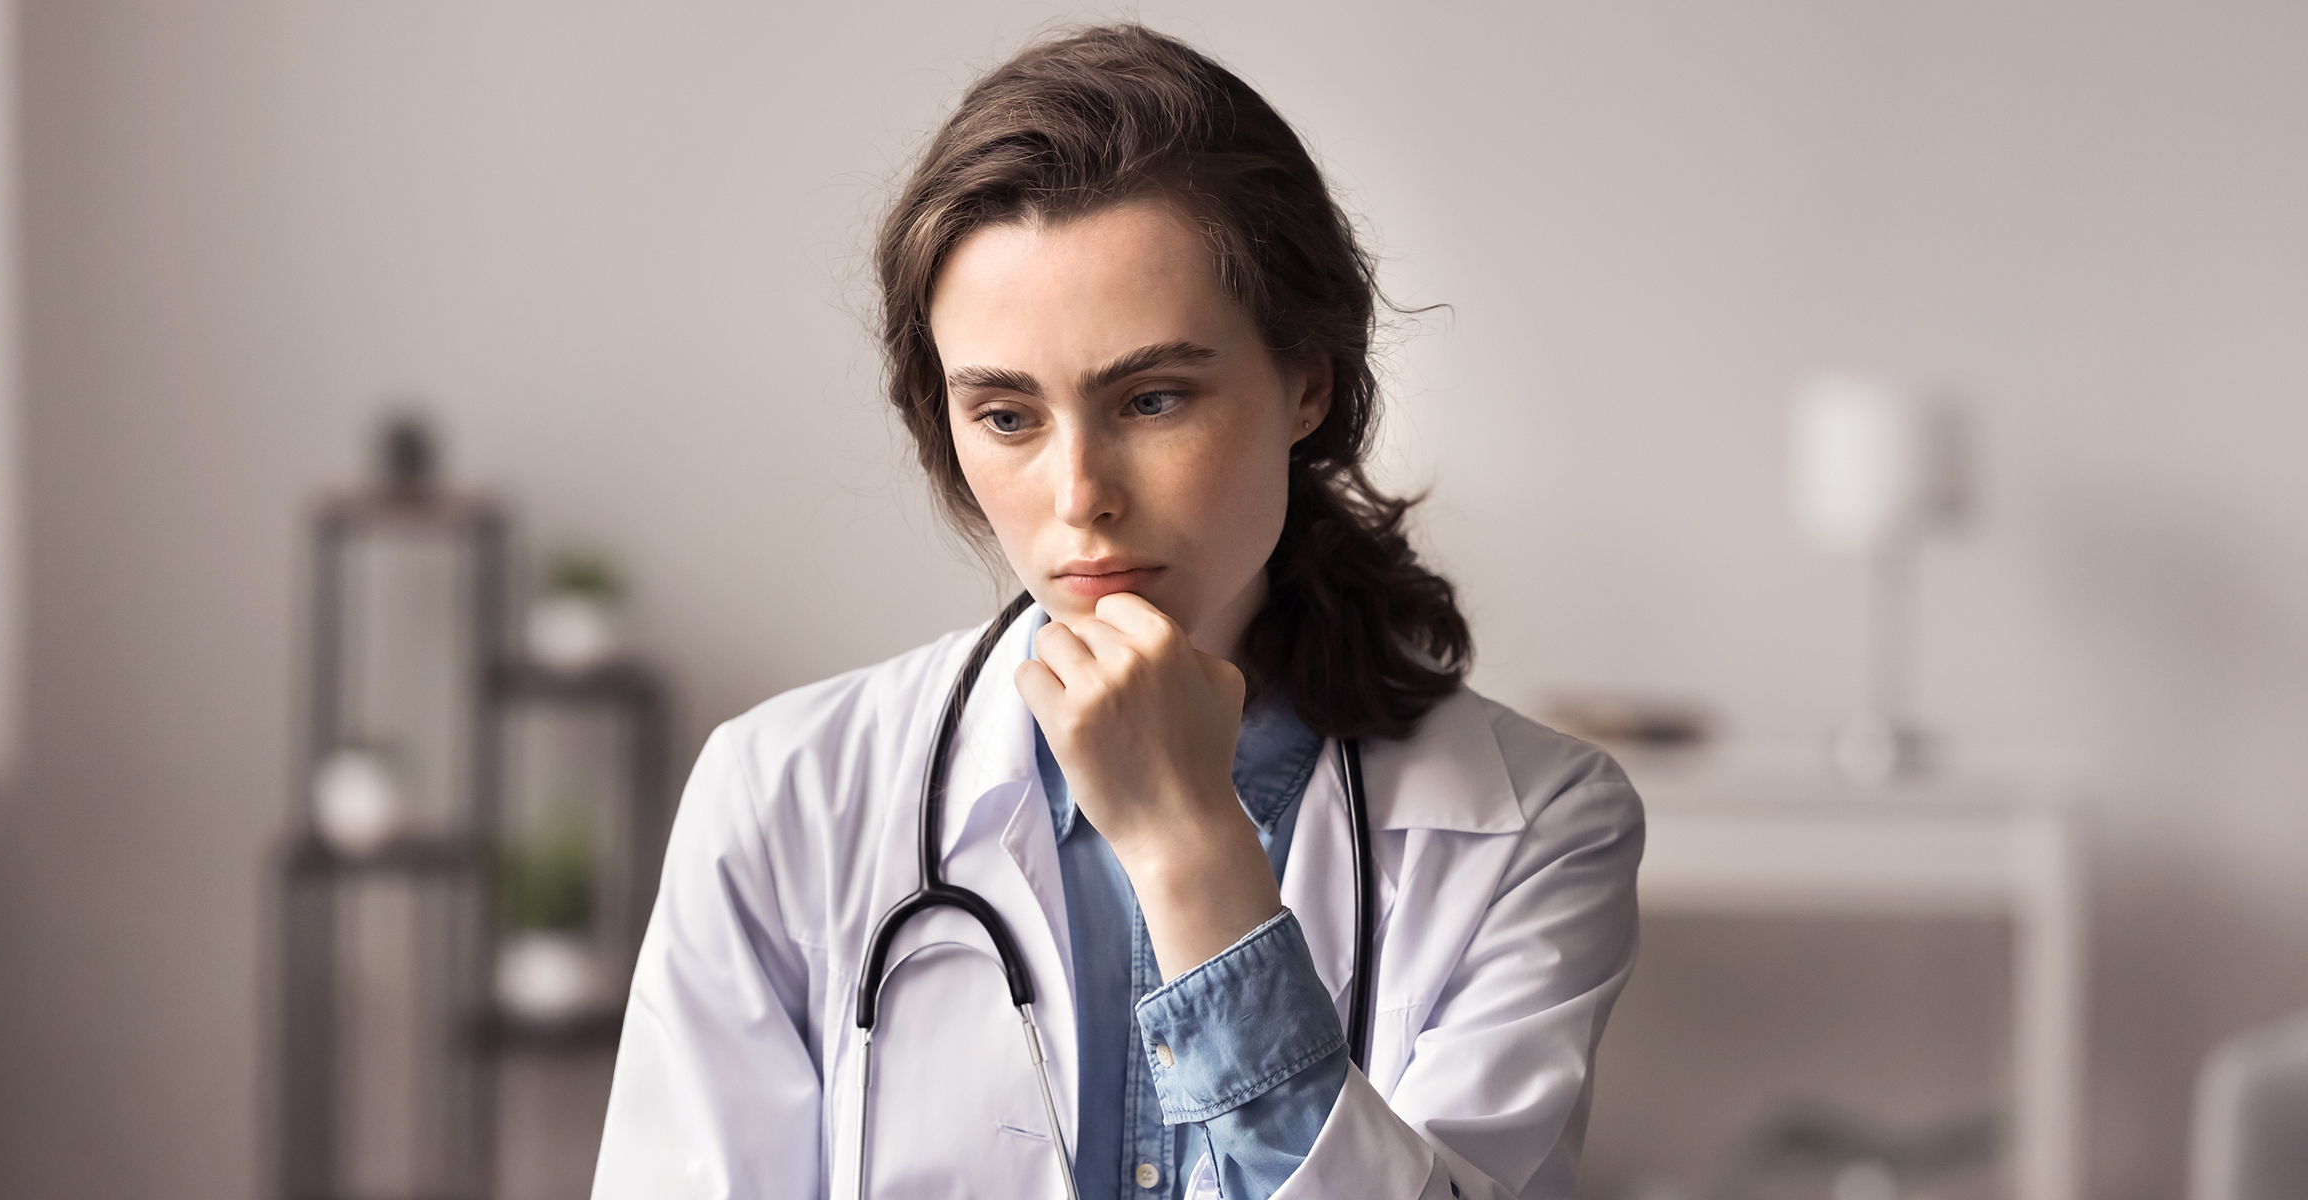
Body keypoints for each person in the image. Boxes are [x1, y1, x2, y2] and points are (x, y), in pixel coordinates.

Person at [592, 24, 1642, 1200]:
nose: (1079, 495)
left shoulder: (1537, 824)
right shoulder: (781, 797)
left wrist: (1188, 845)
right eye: (1007, 416)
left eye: (1150, 399)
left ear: (1308, 382)